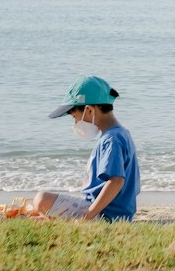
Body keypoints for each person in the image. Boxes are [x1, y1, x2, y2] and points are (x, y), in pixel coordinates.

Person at [29, 74, 140, 221]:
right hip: (104, 209)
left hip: (106, 214)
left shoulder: (112, 139)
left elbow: (116, 181)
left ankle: (81, 219)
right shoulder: (119, 134)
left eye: (74, 116)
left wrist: (87, 216)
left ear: (89, 110)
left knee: (41, 199)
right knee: (37, 206)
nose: (75, 123)